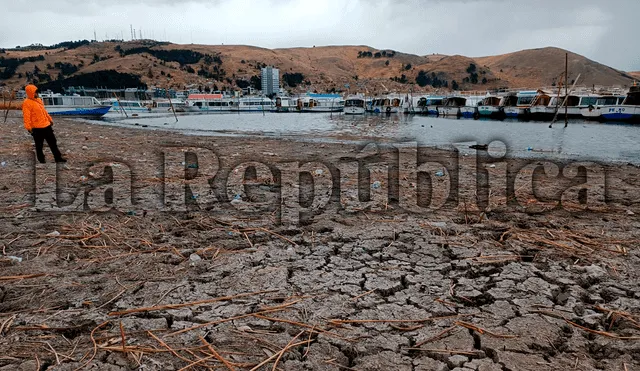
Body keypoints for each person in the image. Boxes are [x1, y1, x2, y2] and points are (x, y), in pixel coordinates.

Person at [22, 84, 66, 163]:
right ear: (30, 93)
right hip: (37, 128)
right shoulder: (26, 103)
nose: (37, 93)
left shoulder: (39, 100)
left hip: (46, 126)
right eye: (35, 92)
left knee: (53, 143)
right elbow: (26, 116)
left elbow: (44, 112)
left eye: (37, 92)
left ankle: (58, 158)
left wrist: (50, 120)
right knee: (39, 146)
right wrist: (28, 128)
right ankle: (42, 160)